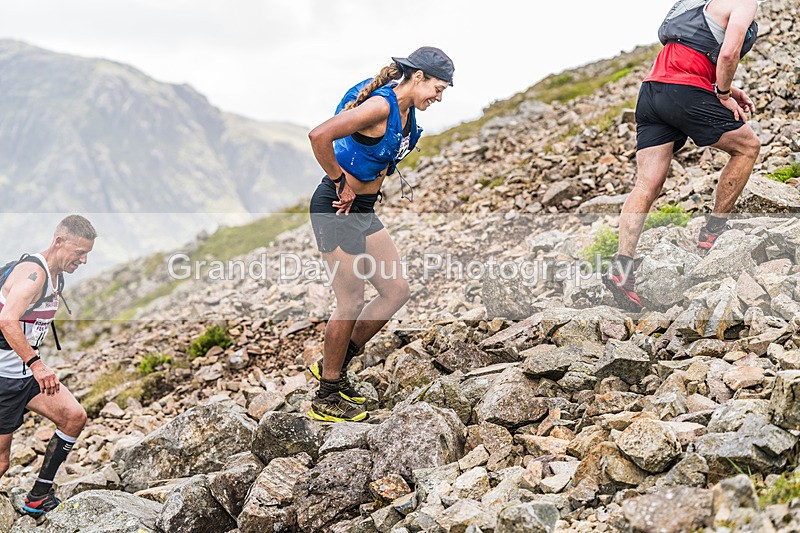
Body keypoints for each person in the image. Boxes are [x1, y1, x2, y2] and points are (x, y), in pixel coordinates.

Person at [306, 47, 454, 422]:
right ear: (417, 76)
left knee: (396, 291)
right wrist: (341, 183)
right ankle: (326, 395)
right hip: (337, 207)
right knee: (351, 301)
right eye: (438, 88)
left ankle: (334, 365)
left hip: (363, 211)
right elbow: (319, 135)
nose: (439, 97)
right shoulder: (380, 107)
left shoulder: (405, 113)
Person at [604, 0, 761, 311]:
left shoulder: (692, 3)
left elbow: (690, 50)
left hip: (652, 91)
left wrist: (723, 86)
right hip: (685, 91)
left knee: (646, 185)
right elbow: (728, 53)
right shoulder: (744, 1)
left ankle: (622, 269)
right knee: (747, 147)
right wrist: (724, 94)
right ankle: (712, 233)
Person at [0, 215, 96, 514]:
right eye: (79, 252)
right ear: (59, 242)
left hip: (24, 374)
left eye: (87, 254)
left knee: (74, 417)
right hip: (4, 378)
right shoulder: (34, 274)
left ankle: (38, 496)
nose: (83, 260)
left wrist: (33, 366)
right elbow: (7, 321)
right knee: (2, 462)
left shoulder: (56, 275)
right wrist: (38, 364)